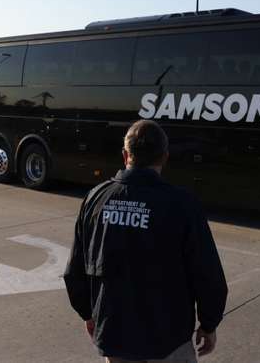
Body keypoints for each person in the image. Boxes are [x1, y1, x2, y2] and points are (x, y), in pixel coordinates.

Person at [64, 119, 228, 362]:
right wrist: (209, 324)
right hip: (168, 340)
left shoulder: (95, 198)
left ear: (124, 155)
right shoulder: (182, 204)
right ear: (164, 157)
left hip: (114, 335)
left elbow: (75, 270)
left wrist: (89, 314)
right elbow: (208, 274)